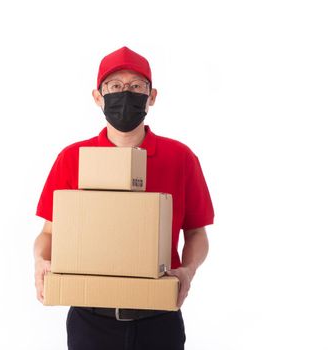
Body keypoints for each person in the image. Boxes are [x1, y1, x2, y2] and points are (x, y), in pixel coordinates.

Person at [33, 46, 214, 350]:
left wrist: (187, 270)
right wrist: (40, 261)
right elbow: (49, 232)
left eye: (135, 87)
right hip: (90, 321)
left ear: (151, 96)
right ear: (98, 97)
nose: (125, 94)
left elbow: (197, 232)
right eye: (115, 86)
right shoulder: (72, 158)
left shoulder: (180, 158)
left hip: (159, 319)